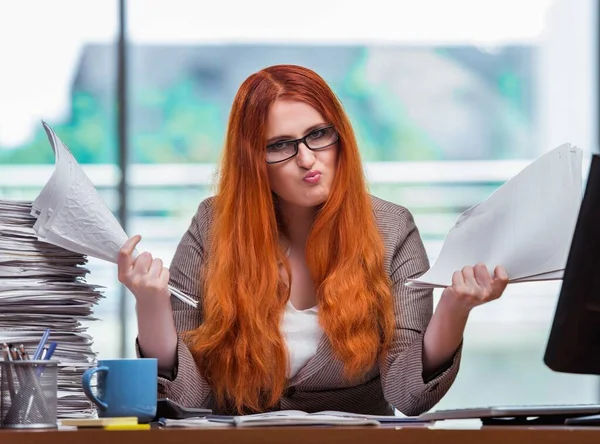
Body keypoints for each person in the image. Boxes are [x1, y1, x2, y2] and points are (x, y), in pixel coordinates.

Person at [117, 64, 509, 416]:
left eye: (318, 135)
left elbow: (409, 396)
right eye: (280, 145)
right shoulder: (213, 225)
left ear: (341, 137)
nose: (306, 159)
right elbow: (187, 400)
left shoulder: (392, 229)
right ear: (252, 159)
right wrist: (150, 305)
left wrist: (454, 310)